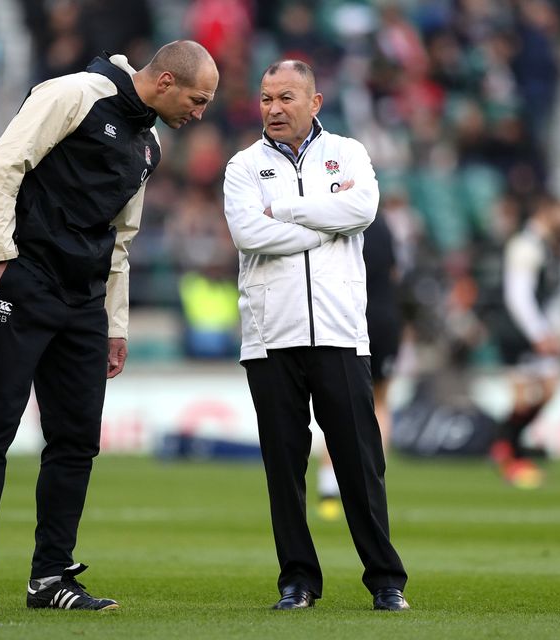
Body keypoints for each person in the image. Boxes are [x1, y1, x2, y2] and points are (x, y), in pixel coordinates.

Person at [0, 40, 219, 614]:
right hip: (24, 282)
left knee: (75, 440)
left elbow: (121, 240)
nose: (201, 113)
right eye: (197, 99)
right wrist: (1, 260)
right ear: (166, 80)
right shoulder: (74, 93)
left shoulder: (148, 146)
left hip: (84, 302)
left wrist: (114, 325)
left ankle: (50, 579)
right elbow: (2, 167)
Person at [222, 60, 408, 612]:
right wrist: (321, 230)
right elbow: (245, 231)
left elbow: (364, 209)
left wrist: (286, 211)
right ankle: (297, 581)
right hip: (268, 335)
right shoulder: (242, 166)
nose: (273, 108)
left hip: (340, 333)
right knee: (284, 467)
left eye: (285, 97)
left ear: (315, 101)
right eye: (265, 98)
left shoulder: (348, 153)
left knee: (359, 462)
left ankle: (385, 580)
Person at [316, 212, 402, 521]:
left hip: (347, 315)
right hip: (384, 319)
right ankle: (373, 484)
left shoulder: (335, 216)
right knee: (380, 401)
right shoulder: (382, 224)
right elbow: (394, 272)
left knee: (335, 404)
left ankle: (328, 486)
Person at [489, 193, 560, 488]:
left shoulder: (546, 247)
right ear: (547, 211)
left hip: (535, 332)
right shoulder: (525, 245)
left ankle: (505, 445)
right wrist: (539, 335)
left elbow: (546, 298)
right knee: (523, 397)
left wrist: (554, 332)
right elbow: (518, 296)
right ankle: (511, 456)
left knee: (548, 389)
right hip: (517, 333)